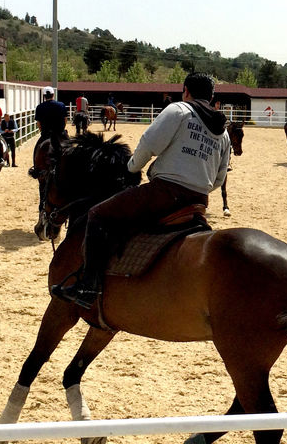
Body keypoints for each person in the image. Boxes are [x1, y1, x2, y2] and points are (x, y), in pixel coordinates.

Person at [52, 72, 231, 309]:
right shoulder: (223, 132)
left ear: (185, 90)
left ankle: (88, 286)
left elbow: (149, 143)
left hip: (165, 193)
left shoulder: (179, 111)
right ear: (212, 96)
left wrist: (132, 167)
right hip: (199, 201)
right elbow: (219, 178)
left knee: (97, 215)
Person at [34, 86, 67, 169]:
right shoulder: (61, 105)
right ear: (53, 94)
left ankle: (35, 168)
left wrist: (42, 131)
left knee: (36, 149)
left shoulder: (39, 107)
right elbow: (65, 120)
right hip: (59, 134)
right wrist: (62, 128)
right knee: (70, 148)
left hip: (46, 135)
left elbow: (39, 123)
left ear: (44, 96)